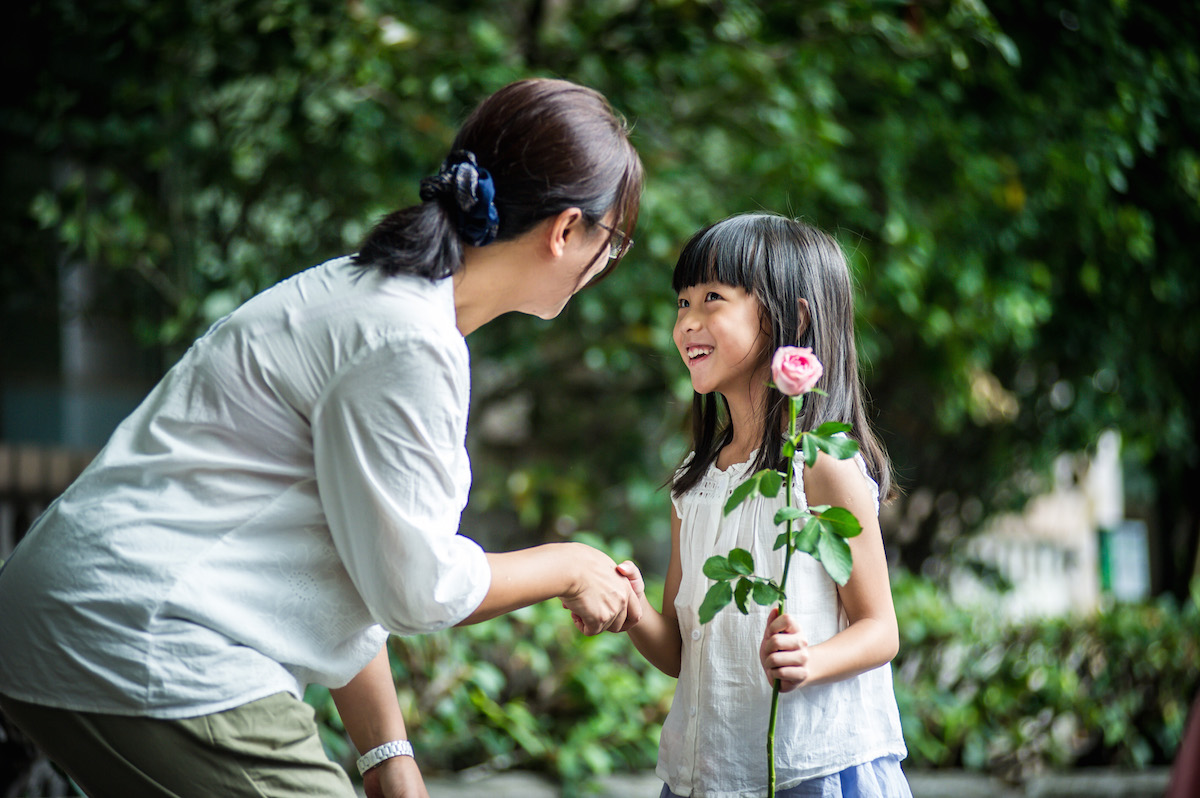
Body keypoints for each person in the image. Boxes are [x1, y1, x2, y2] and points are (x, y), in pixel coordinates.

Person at [0, 78, 644, 798]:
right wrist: (572, 564)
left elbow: (355, 554)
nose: (606, 261)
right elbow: (417, 590)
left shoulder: (377, 299)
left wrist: (386, 755)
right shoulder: (408, 341)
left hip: (91, 616)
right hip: (141, 637)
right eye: (611, 240)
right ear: (564, 232)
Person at [618, 213, 911, 797]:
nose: (687, 323)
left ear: (792, 318)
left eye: (712, 299)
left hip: (810, 767)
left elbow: (881, 630)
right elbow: (681, 652)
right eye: (681, 302)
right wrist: (631, 610)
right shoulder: (692, 483)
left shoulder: (822, 469)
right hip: (709, 773)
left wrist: (812, 661)